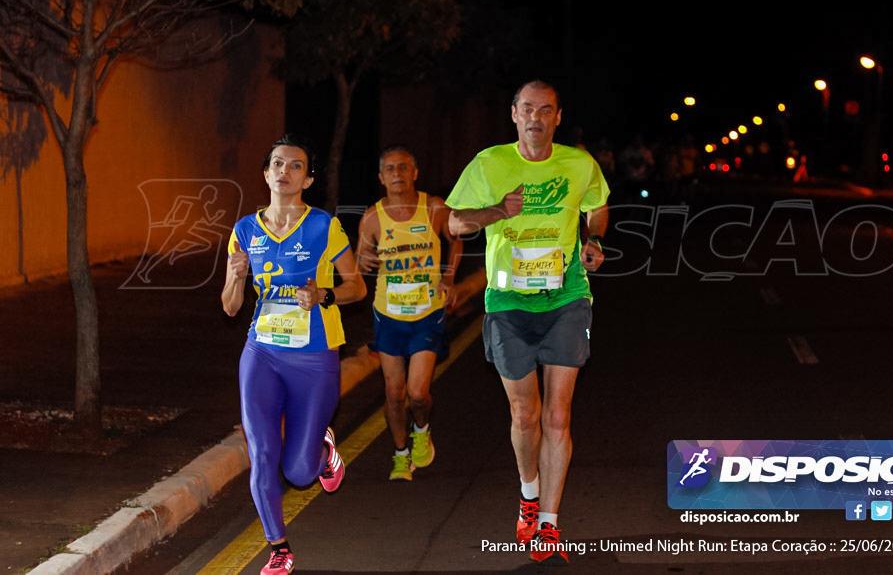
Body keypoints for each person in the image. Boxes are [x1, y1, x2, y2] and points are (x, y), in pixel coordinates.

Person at [446, 80, 609, 565]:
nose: (536, 117)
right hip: (508, 303)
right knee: (525, 415)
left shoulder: (579, 163)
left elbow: (596, 206)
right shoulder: (490, 163)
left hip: (567, 298)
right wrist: (497, 210)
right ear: (513, 114)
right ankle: (528, 493)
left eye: (546, 110)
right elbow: (454, 223)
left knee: (558, 415)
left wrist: (593, 241)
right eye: (527, 109)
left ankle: (550, 525)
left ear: (558, 117)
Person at [221, 135, 366, 575]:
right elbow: (229, 307)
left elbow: (357, 287)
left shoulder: (325, 225)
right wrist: (234, 277)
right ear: (266, 174)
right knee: (262, 452)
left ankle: (322, 453)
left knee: (300, 473)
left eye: (296, 166)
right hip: (261, 352)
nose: (285, 171)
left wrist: (323, 295)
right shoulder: (244, 230)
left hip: (314, 355)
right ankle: (278, 548)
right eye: (277, 164)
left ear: (308, 178)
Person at [356, 146, 463, 481]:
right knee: (394, 392)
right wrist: (363, 261)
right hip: (388, 313)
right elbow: (361, 258)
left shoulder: (434, 207)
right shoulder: (372, 217)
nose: (397, 173)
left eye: (404, 167)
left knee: (418, 393)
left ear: (415, 173)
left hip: (427, 311)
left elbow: (455, 240)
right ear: (381, 177)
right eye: (389, 168)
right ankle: (401, 453)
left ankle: (422, 427)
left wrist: (448, 277)